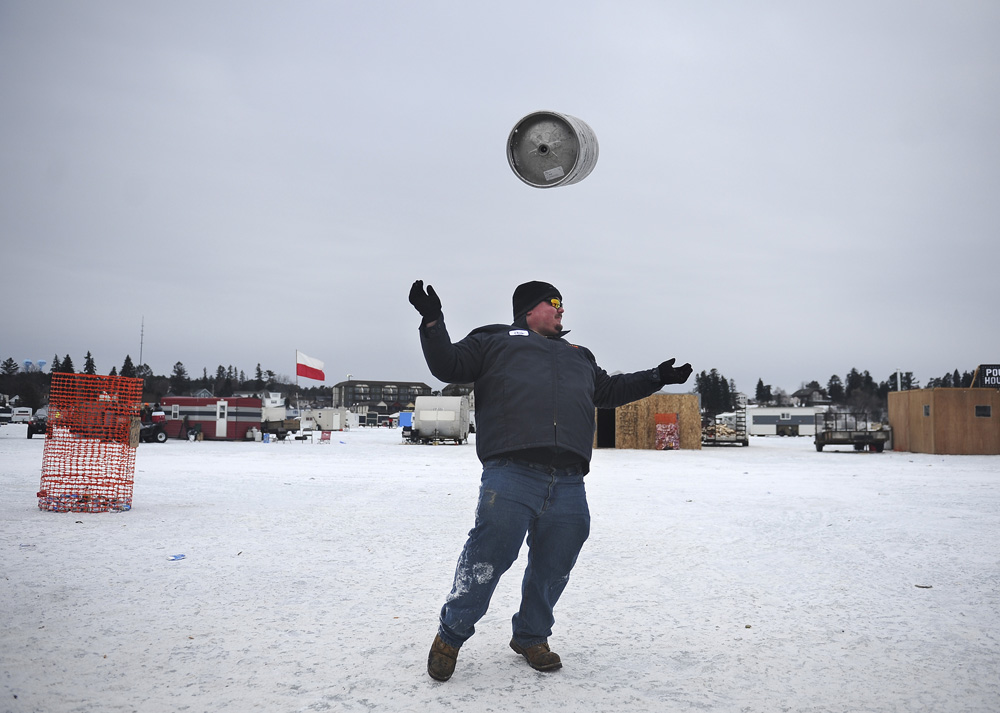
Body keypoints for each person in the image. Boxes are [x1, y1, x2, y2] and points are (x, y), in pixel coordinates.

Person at [409, 279, 692, 682]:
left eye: (563, 304)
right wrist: (433, 321)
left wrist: (655, 377)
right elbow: (448, 365)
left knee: (554, 565)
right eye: (554, 302)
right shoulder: (495, 340)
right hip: (512, 472)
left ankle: (530, 635)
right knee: (487, 557)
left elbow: (608, 390)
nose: (562, 310)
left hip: (569, 481)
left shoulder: (578, 355)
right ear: (529, 307)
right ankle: (451, 634)